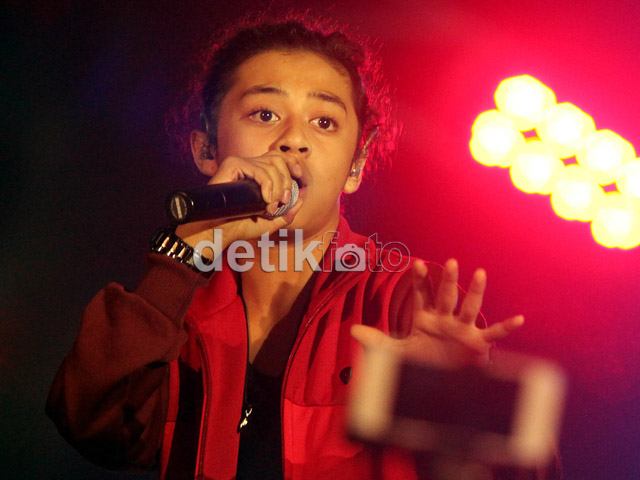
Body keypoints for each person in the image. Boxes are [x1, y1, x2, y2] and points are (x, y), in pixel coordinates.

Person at [47, 14, 535, 480]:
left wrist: (462, 405)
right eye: (264, 114)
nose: (293, 140)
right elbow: (91, 422)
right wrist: (189, 247)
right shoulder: (174, 306)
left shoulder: (405, 296)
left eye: (324, 122)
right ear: (206, 150)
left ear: (356, 164)